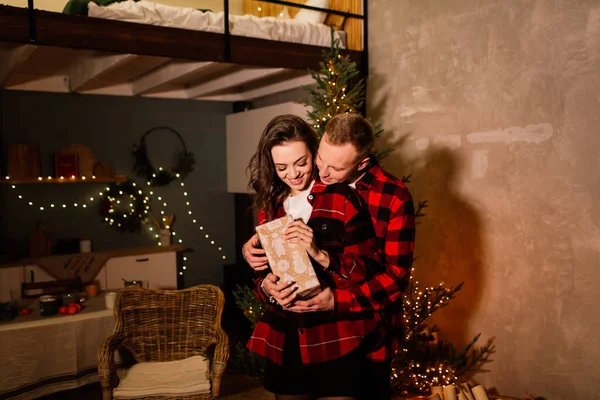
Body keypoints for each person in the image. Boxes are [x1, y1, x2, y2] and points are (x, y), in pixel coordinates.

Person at [243, 112, 416, 400]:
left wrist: (333, 294)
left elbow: (390, 275)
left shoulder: (378, 197)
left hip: (355, 332)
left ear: (360, 163)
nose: (320, 173)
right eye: (320, 160)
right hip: (289, 334)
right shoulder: (273, 202)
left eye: (303, 162)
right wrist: (265, 285)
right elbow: (266, 272)